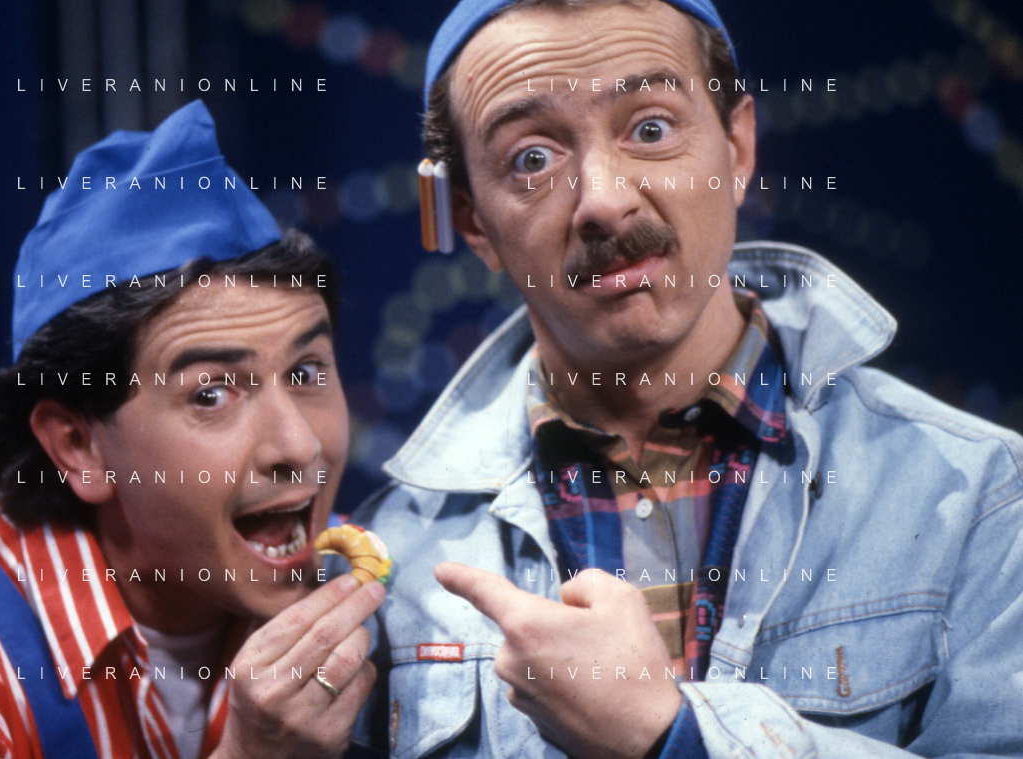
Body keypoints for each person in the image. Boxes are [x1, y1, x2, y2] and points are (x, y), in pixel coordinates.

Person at [351, 1, 1023, 758]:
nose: (604, 200)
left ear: (737, 148)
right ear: (474, 222)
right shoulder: (391, 568)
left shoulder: (980, 494)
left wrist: (672, 737)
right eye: (532, 159)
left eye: (650, 129)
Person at [0, 100, 384, 759]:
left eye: (307, 372)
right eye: (211, 393)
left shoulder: (382, 588)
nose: (299, 446)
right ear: (78, 446)